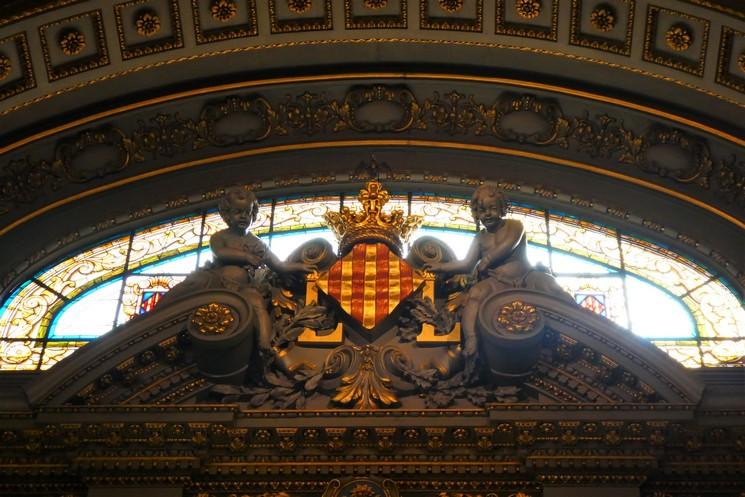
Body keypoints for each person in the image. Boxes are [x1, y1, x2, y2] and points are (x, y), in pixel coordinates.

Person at [424, 184, 571, 354]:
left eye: (492, 208)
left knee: (550, 286)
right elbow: (466, 263)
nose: (486, 214)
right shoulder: (480, 238)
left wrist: (486, 260)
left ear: (502, 209)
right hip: (497, 282)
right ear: (476, 214)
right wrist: (441, 266)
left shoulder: (515, 226)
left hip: (527, 277)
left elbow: (508, 244)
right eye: (481, 210)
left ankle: (578, 318)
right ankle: (471, 338)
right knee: (475, 295)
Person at [210, 187, 316, 353]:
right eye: (238, 212)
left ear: (253, 214)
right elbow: (221, 252)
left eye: (247, 212)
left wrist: (300, 266)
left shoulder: (257, 244)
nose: (243, 216)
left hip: (244, 288)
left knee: (258, 304)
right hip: (219, 284)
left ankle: (265, 343)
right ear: (227, 214)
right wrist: (246, 257)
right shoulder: (220, 237)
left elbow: (279, 265)